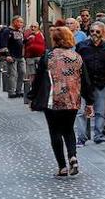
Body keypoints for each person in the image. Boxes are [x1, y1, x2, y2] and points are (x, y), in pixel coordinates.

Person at [33, 26, 94, 177]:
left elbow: (39, 78)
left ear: (55, 39)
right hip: (72, 100)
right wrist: (90, 102)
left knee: (55, 132)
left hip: (53, 100)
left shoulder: (48, 56)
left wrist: (32, 96)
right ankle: (72, 156)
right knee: (68, 129)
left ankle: (62, 167)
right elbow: (85, 81)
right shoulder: (77, 57)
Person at [77, 26, 105, 146]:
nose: (94, 33)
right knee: (81, 111)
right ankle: (81, 138)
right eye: (92, 31)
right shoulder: (82, 46)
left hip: (101, 82)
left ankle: (98, 136)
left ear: (102, 33)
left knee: (100, 111)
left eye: (97, 31)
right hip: (84, 83)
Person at [0, 17, 26, 98]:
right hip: (12, 56)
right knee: (13, 74)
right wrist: (7, 55)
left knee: (22, 72)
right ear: (14, 22)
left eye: (22, 22)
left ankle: (19, 90)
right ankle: (11, 91)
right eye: (19, 22)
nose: (21, 24)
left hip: (20, 56)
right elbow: (3, 44)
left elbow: (20, 42)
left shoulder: (20, 31)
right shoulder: (7, 31)